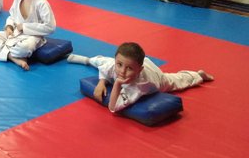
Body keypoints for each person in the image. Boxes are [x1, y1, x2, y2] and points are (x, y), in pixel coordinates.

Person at [67, 42, 214, 112]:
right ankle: (85, 59)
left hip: (155, 76)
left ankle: (198, 75)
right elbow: (105, 67)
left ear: (138, 70)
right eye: (119, 65)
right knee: (103, 61)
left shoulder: (139, 87)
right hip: (139, 62)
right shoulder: (116, 65)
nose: (122, 72)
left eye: (128, 69)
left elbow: (113, 108)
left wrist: (117, 84)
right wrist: (101, 82)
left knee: (176, 81)